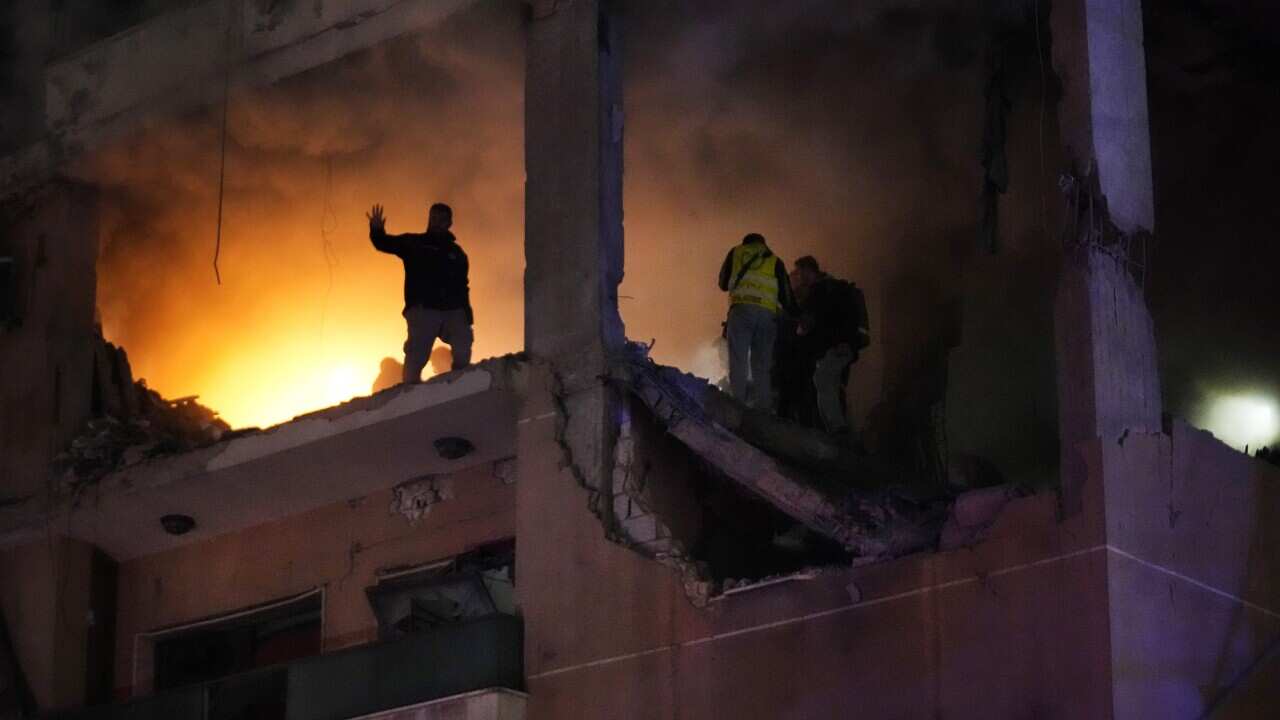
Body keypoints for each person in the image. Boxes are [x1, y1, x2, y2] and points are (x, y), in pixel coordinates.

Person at [368, 202, 473, 384]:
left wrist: (467, 314)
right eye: (433, 218)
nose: (436, 222)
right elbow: (385, 243)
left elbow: (463, 286)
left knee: (463, 340)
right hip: (423, 310)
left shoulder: (457, 254)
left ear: (449, 222)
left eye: (441, 219)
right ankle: (409, 389)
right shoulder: (415, 243)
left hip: (452, 310)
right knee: (417, 353)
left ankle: (460, 381)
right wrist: (377, 231)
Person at [789, 256, 870, 436]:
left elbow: (808, 324)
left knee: (822, 379)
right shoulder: (834, 287)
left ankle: (837, 429)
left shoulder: (819, 291)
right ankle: (835, 430)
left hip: (837, 347)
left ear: (808, 270)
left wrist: (795, 322)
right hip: (842, 347)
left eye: (799, 273)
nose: (798, 277)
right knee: (828, 383)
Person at [717, 233, 795, 409]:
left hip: (742, 311)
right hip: (767, 315)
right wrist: (799, 317)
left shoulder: (736, 253)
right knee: (762, 365)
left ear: (745, 243)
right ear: (763, 245)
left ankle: (737, 405)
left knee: (739, 360)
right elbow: (787, 297)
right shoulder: (775, 260)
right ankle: (763, 410)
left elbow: (722, 283)